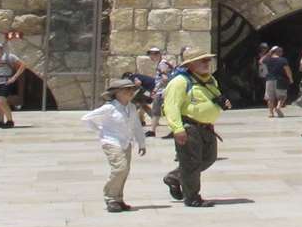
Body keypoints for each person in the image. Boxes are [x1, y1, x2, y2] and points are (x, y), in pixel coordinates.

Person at [161, 51, 228, 207]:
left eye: (207, 60)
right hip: (189, 126)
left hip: (206, 127)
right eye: (201, 61)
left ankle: (175, 177)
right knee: (191, 162)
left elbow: (212, 98)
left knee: (209, 158)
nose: (206, 63)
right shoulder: (180, 82)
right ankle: (192, 197)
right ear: (190, 64)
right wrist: (177, 129)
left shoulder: (211, 80)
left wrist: (220, 103)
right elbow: (171, 106)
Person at [80, 78, 146, 212]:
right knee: (120, 168)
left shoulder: (132, 107)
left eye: (132, 89)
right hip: (111, 142)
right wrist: (100, 130)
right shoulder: (109, 108)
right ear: (117, 93)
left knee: (124, 171)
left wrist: (142, 143)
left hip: (126, 142)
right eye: (127, 90)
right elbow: (86, 118)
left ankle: (118, 199)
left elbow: (137, 125)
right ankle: (110, 198)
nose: (131, 92)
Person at [262, 48, 291, 119]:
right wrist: (290, 78)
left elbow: (260, 61)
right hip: (280, 79)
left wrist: (269, 53)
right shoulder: (283, 60)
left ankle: (271, 113)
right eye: (281, 52)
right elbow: (287, 70)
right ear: (279, 52)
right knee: (282, 96)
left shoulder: (268, 59)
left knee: (270, 98)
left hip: (269, 80)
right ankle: (278, 107)